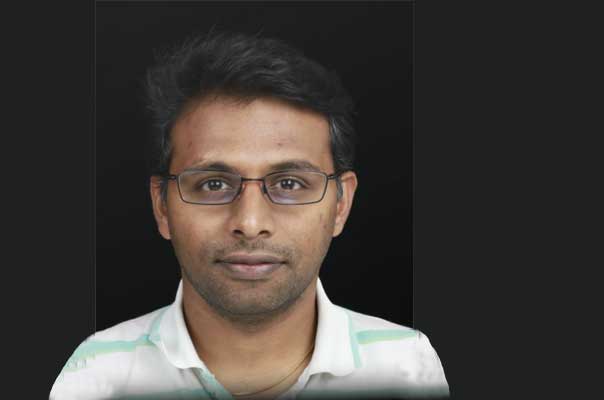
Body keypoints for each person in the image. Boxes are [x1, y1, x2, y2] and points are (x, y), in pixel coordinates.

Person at [50, 31, 449, 400]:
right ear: (162, 206)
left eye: (290, 183)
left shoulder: (407, 368)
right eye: (213, 184)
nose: (251, 223)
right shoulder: (97, 376)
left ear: (341, 204)